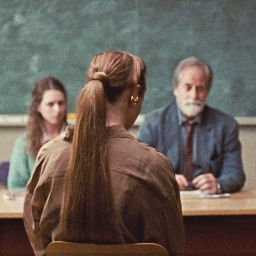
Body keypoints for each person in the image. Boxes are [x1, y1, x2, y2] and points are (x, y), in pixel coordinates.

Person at [23, 51, 185, 256]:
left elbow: (39, 239)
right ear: (135, 93)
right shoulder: (154, 166)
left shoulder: (49, 156)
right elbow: (171, 248)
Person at [138, 56, 246, 194]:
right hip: (165, 202)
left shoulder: (226, 125)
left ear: (207, 91)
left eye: (200, 89)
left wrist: (218, 184)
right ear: (176, 89)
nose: (194, 95)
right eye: (188, 87)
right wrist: (165, 180)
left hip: (210, 206)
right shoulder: (153, 123)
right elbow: (141, 169)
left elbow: (235, 174)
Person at [7, 76, 67, 190]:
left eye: (61, 103)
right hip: (36, 206)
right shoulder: (24, 143)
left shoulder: (78, 138)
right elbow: (15, 186)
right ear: (38, 107)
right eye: (50, 104)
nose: (57, 109)